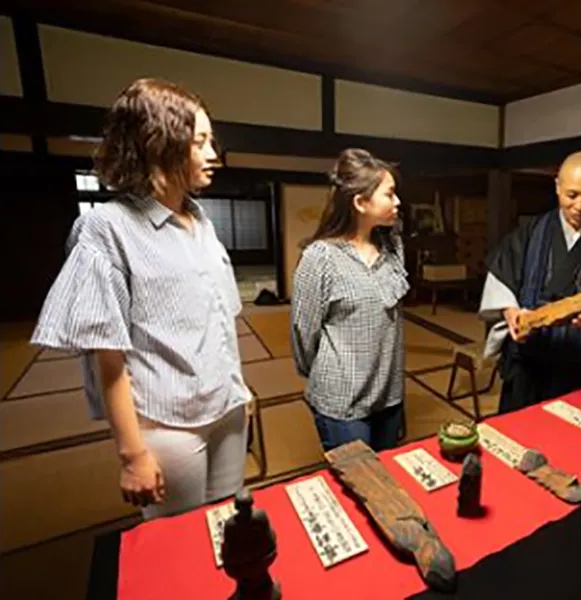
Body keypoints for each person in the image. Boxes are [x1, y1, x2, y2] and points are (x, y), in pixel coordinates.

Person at [30, 78, 250, 519]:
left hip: (227, 410)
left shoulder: (201, 220)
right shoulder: (107, 229)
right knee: (180, 548)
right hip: (168, 425)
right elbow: (107, 359)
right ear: (159, 144)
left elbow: (217, 320)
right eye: (199, 142)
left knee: (230, 524)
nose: (213, 155)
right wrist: (132, 456)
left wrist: (240, 389)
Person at [479, 150, 581, 414]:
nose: (579, 205)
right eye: (571, 195)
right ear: (557, 186)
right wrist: (511, 312)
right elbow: (501, 280)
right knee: (516, 430)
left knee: (565, 438)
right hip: (526, 359)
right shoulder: (531, 231)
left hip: (577, 363)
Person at [290, 148, 409, 452]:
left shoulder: (393, 245)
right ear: (360, 202)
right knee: (358, 488)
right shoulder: (320, 258)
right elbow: (304, 335)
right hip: (341, 400)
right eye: (390, 194)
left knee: (387, 481)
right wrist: (325, 372)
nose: (397, 202)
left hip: (389, 394)